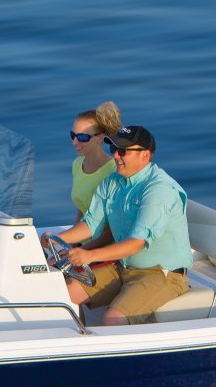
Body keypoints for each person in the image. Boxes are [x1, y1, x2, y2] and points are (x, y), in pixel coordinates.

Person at [41, 125, 190, 326]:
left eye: (123, 151)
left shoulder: (159, 190)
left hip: (161, 273)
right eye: (113, 149)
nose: (116, 156)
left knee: (113, 319)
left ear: (145, 155)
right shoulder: (113, 181)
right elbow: (91, 224)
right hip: (123, 266)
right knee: (62, 296)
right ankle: (77, 341)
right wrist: (57, 239)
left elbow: (136, 243)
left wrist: (90, 255)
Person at [69, 101, 122, 225]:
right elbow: (82, 207)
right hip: (85, 232)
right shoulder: (77, 164)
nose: (74, 142)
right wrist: (73, 234)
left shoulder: (114, 171)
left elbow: (112, 220)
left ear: (100, 137)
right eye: (73, 135)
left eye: (82, 137)